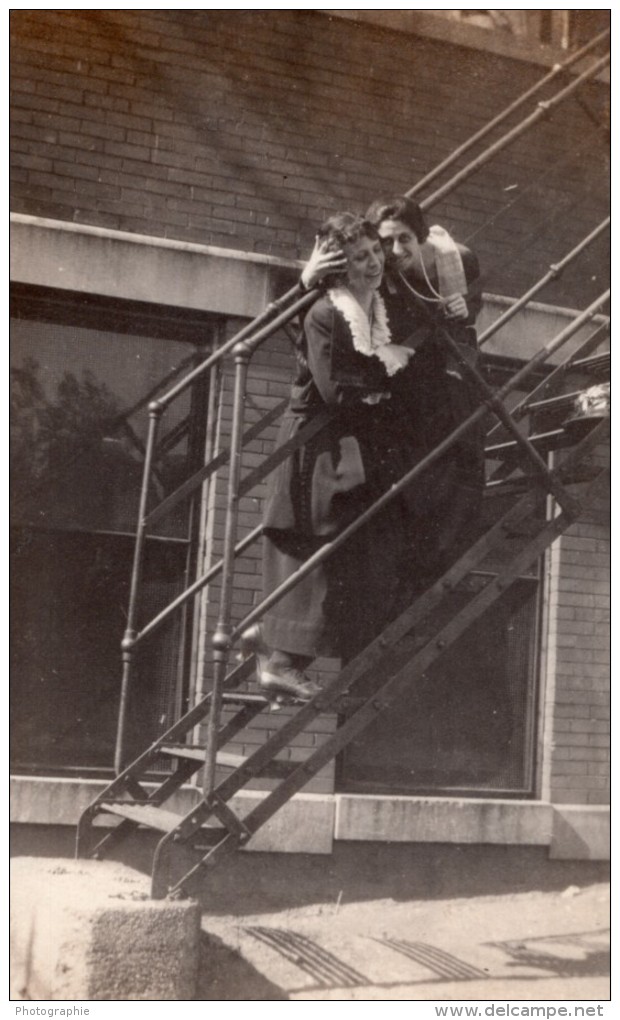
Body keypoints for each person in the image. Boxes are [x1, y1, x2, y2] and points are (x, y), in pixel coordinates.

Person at [251, 213, 416, 701]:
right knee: (318, 534)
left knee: (348, 535)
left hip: (343, 436)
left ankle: (274, 649)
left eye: (374, 252)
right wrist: (384, 382)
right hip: (318, 436)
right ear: (339, 268)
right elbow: (333, 389)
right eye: (360, 257)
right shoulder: (327, 311)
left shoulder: (375, 304)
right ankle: (280, 658)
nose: (373, 263)